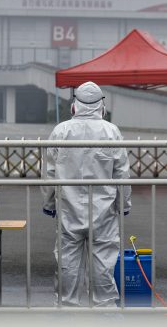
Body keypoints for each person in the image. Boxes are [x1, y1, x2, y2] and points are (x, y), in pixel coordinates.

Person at [42, 81, 131, 307]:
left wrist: (49, 203)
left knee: (67, 264)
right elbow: (122, 173)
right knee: (103, 264)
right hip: (104, 211)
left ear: (74, 106)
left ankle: (66, 312)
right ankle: (106, 313)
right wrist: (124, 204)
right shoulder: (111, 132)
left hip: (68, 209)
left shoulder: (61, 131)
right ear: (102, 106)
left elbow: (49, 172)